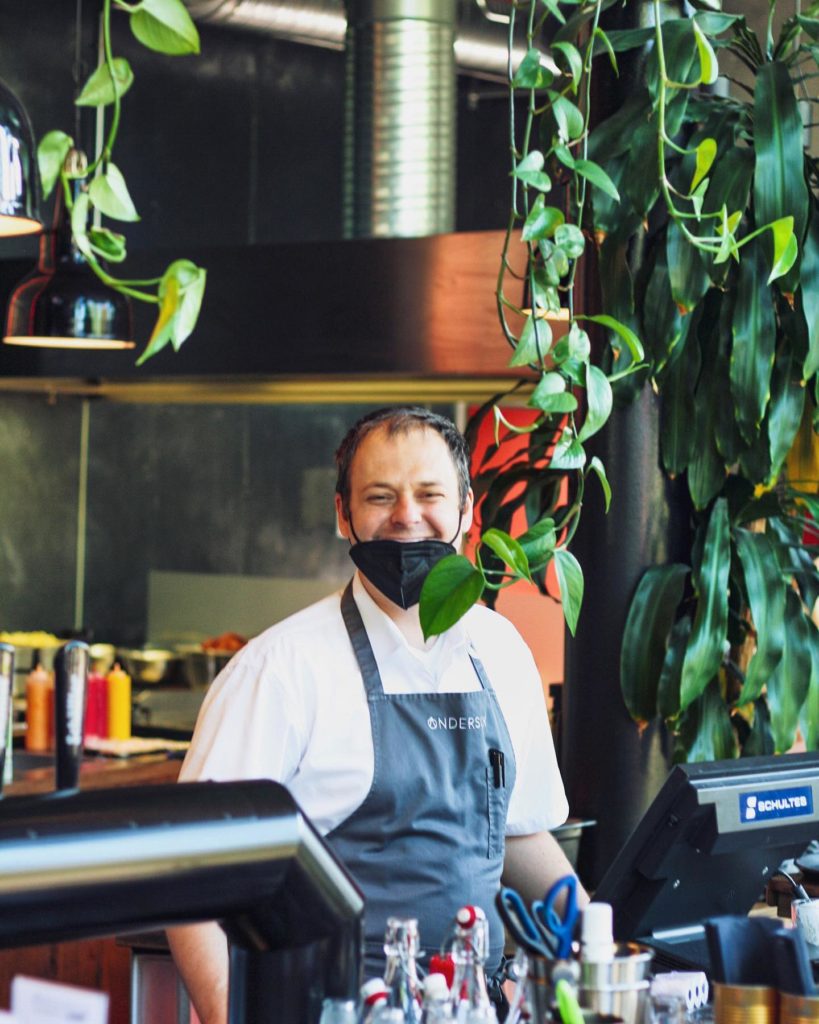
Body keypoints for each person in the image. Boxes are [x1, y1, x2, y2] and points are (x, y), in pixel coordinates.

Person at [168, 406, 587, 1024]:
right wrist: (228, 1012)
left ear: (468, 509)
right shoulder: (280, 670)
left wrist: (597, 942)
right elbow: (191, 870)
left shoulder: (498, 651)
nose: (406, 517)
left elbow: (517, 833)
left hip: (481, 1006)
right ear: (343, 514)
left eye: (429, 494)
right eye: (380, 496)